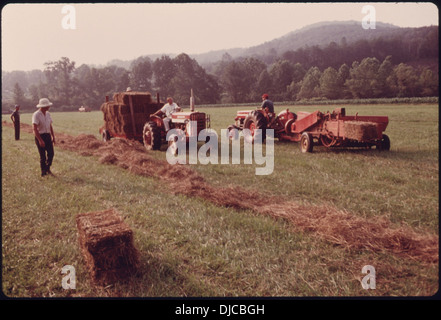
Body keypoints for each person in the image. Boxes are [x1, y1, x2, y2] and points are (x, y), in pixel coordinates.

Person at [32, 98, 56, 177]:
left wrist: (53, 136)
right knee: (43, 156)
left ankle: (47, 168)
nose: (49, 107)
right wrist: (40, 140)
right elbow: (34, 128)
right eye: (47, 106)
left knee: (51, 154)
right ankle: (43, 172)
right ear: (43, 106)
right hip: (40, 136)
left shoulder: (48, 114)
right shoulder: (36, 115)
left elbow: (50, 125)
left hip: (47, 136)